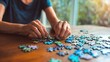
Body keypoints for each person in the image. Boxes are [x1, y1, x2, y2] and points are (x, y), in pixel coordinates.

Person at [0, 0, 71, 40]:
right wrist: (22, 28)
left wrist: (60, 25)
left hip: (31, 42)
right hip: (7, 42)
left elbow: (54, 21)